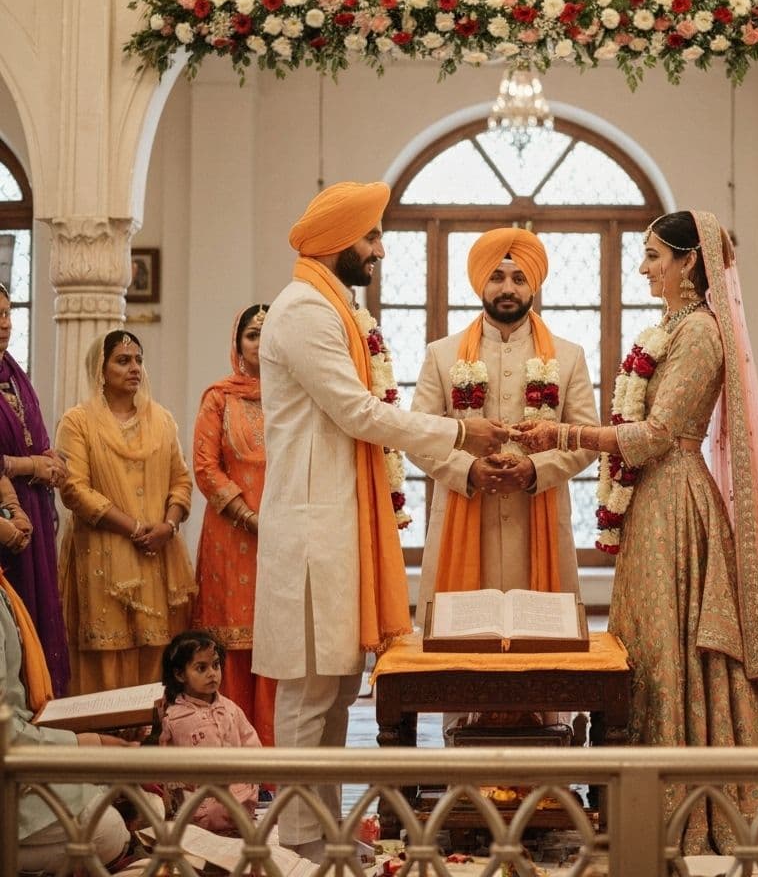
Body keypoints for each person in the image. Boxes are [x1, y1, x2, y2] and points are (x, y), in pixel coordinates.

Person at [513, 210, 758, 854]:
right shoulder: (671, 328)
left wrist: (564, 434)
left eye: (654, 256)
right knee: (650, 646)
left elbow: (656, 438)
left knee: (679, 647)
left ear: (688, 263)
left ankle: (692, 808)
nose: (645, 267)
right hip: (655, 502)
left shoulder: (701, 332)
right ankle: (640, 798)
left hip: (677, 501)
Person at [251, 180, 507, 858]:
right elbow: (357, 412)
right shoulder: (305, 310)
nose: (379, 250)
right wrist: (457, 434)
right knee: (310, 693)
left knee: (335, 691)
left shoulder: (330, 307)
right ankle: (299, 845)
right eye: (369, 238)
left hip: (338, 522)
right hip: (313, 526)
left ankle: (324, 835)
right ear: (336, 243)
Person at [411, 228, 598, 626]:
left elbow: (586, 439)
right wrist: (467, 470)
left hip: (539, 517)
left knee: (542, 654)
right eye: (497, 276)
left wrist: (536, 470)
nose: (507, 287)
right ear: (481, 282)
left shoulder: (569, 357)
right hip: (464, 516)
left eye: (519, 278)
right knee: (458, 653)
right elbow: (419, 437)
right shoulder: (441, 355)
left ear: (534, 285)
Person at [56, 330, 195, 694]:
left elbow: (181, 480)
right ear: (100, 370)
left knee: (154, 649)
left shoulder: (161, 419)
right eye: (122, 360)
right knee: (106, 650)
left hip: (156, 554)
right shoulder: (77, 422)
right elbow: (73, 488)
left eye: (138, 360)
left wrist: (168, 524)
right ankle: (105, 743)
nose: (134, 368)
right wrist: (133, 527)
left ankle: (147, 742)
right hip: (103, 553)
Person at [2, 563, 132, 872]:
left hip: (21, 744)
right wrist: (85, 743)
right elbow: (5, 732)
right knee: (109, 830)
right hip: (11, 767)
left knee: (122, 801)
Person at [192, 303, 275, 745]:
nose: (260, 343)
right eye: (252, 335)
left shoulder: (294, 394)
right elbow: (205, 468)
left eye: (267, 333)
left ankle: (276, 757)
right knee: (235, 645)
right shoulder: (218, 398)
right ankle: (232, 754)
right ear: (238, 344)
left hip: (282, 532)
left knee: (278, 643)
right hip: (232, 534)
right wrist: (247, 515)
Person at [0, 284, 71, 695]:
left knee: (38, 609)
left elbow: (33, 437)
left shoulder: (14, 373)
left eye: (7, 313)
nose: (3, 323)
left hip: (31, 510)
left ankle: (44, 706)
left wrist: (51, 461)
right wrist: (32, 465)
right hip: (6, 514)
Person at [157, 629, 261, 834]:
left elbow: (251, 743)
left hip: (240, 801)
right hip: (200, 809)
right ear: (179, 674)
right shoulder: (174, 719)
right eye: (201, 668)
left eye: (215, 665)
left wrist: (252, 782)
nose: (212, 673)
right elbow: (169, 767)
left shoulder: (230, 708)